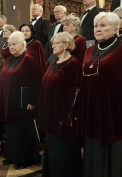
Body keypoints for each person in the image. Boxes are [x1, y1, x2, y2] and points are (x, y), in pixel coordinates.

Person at [77, 12, 122, 177]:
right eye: (95, 26)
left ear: (115, 29)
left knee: (115, 154)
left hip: (115, 114)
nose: (98, 29)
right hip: (93, 114)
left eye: (103, 25)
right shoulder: (89, 50)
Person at [38, 32, 82, 177]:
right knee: (52, 149)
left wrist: (64, 117)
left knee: (63, 151)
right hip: (49, 114)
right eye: (53, 43)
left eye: (56, 43)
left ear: (66, 45)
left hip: (63, 118)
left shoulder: (73, 63)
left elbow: (73, 91)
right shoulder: (53, 63)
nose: (53, 46)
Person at [0, 31, 41, 170]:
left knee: (23, 130)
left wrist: (33, 101)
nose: (11, 47)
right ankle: (11, 156)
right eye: (10, 44)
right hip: (8, 100)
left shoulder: (29, 59)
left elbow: (36, 81)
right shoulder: (7, 60)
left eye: (14, 44)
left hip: (24, 101)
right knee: (11, 129)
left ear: (23, 45)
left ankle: (26, 159)